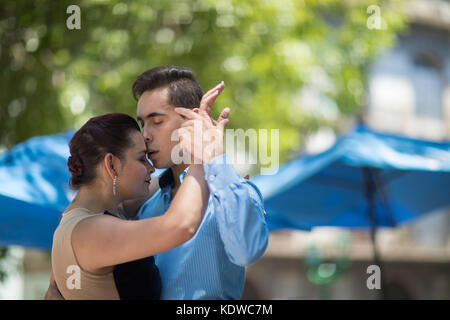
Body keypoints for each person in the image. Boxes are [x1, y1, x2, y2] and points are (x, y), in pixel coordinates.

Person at [46, 65, 269, 300]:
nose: (145, 135)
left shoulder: (233, 194)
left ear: (193, 120)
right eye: (142, 123)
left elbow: (247, 251)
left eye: (157, 121)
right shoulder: (144, 207)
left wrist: (213, 160)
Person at [50, 110, 228, 299]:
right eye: (142, 158)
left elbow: (159, 184)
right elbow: (181, 225)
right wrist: (201, 156)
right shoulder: (92, 231)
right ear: (111, 165)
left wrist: (226, 183)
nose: (151, 168)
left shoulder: (76, 222)